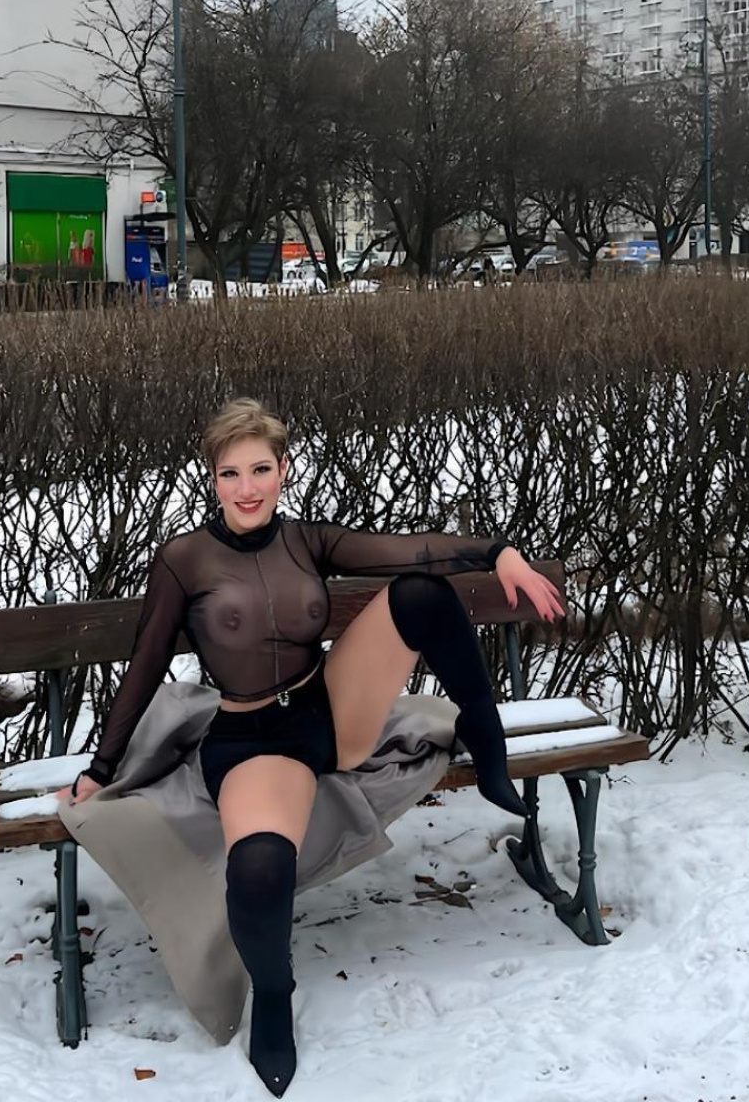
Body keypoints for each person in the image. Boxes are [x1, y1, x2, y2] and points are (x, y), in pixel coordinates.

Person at [58, 398, 563, 1096]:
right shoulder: (183, 560)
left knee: (421, 595)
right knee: (260, 866)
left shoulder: (306, 540)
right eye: (231, 473)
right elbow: (145, 666)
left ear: (283, 470)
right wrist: (102, 768)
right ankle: (273, 995)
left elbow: (412, 551)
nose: (248, 488)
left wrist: (497, 552)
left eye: (261, 470)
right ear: (213, 478)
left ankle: (483, 730)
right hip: (255, 740)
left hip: (327, 708)